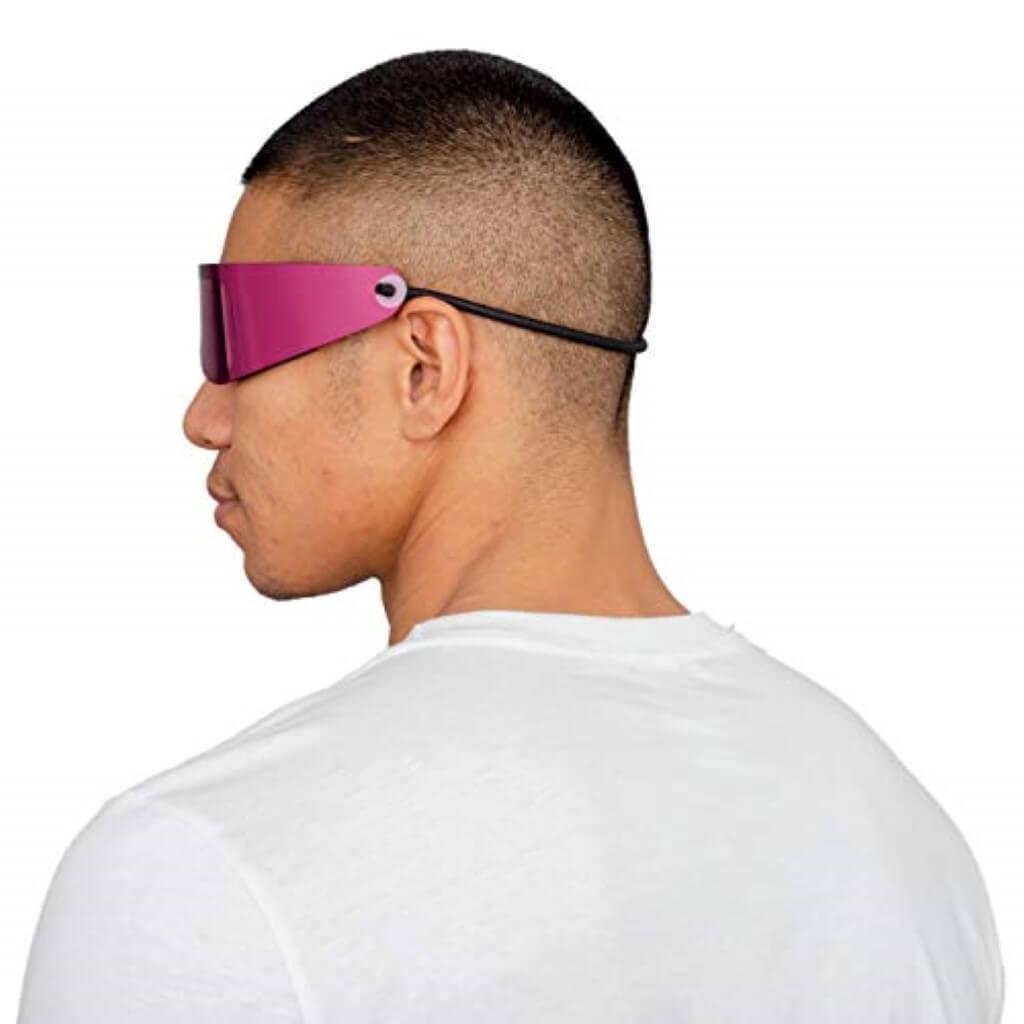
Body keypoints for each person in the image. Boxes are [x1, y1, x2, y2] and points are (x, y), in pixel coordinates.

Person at [17, 49, 1004, 1023]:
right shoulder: (904, 844)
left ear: (423, 366)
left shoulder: (200, 869)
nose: (204, 415)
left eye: (234, 337)